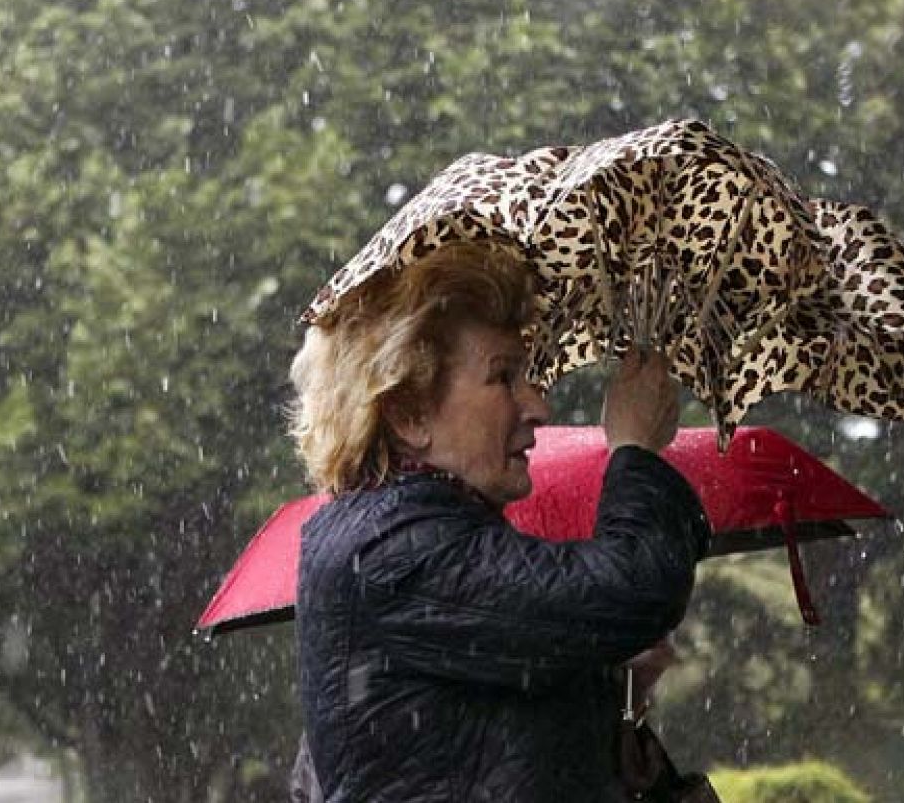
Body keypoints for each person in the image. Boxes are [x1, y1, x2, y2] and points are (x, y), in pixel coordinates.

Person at [288, 239, 710, 802]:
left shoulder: (425, 538)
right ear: (409, 413)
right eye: (504, 376)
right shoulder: (396, 550)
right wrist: (634, 449)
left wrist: (611, 690)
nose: (538, 405)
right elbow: (634, 588)